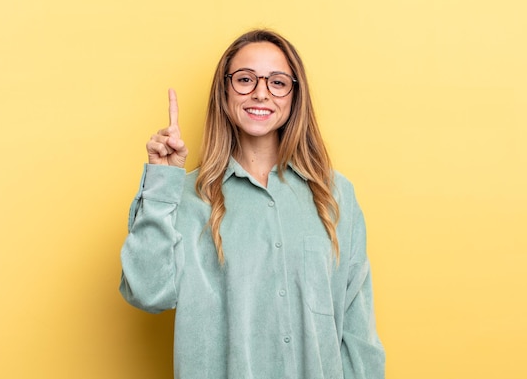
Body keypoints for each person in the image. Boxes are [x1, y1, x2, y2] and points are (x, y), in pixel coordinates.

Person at [119, 29, 385, 379]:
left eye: (277, 82)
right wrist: (160, 182)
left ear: (294, 95)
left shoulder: (335, 194)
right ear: (225, 90)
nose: (261, 92)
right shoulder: (183, 197)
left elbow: (357, 328)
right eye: (245, 79)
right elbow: (147, 293)